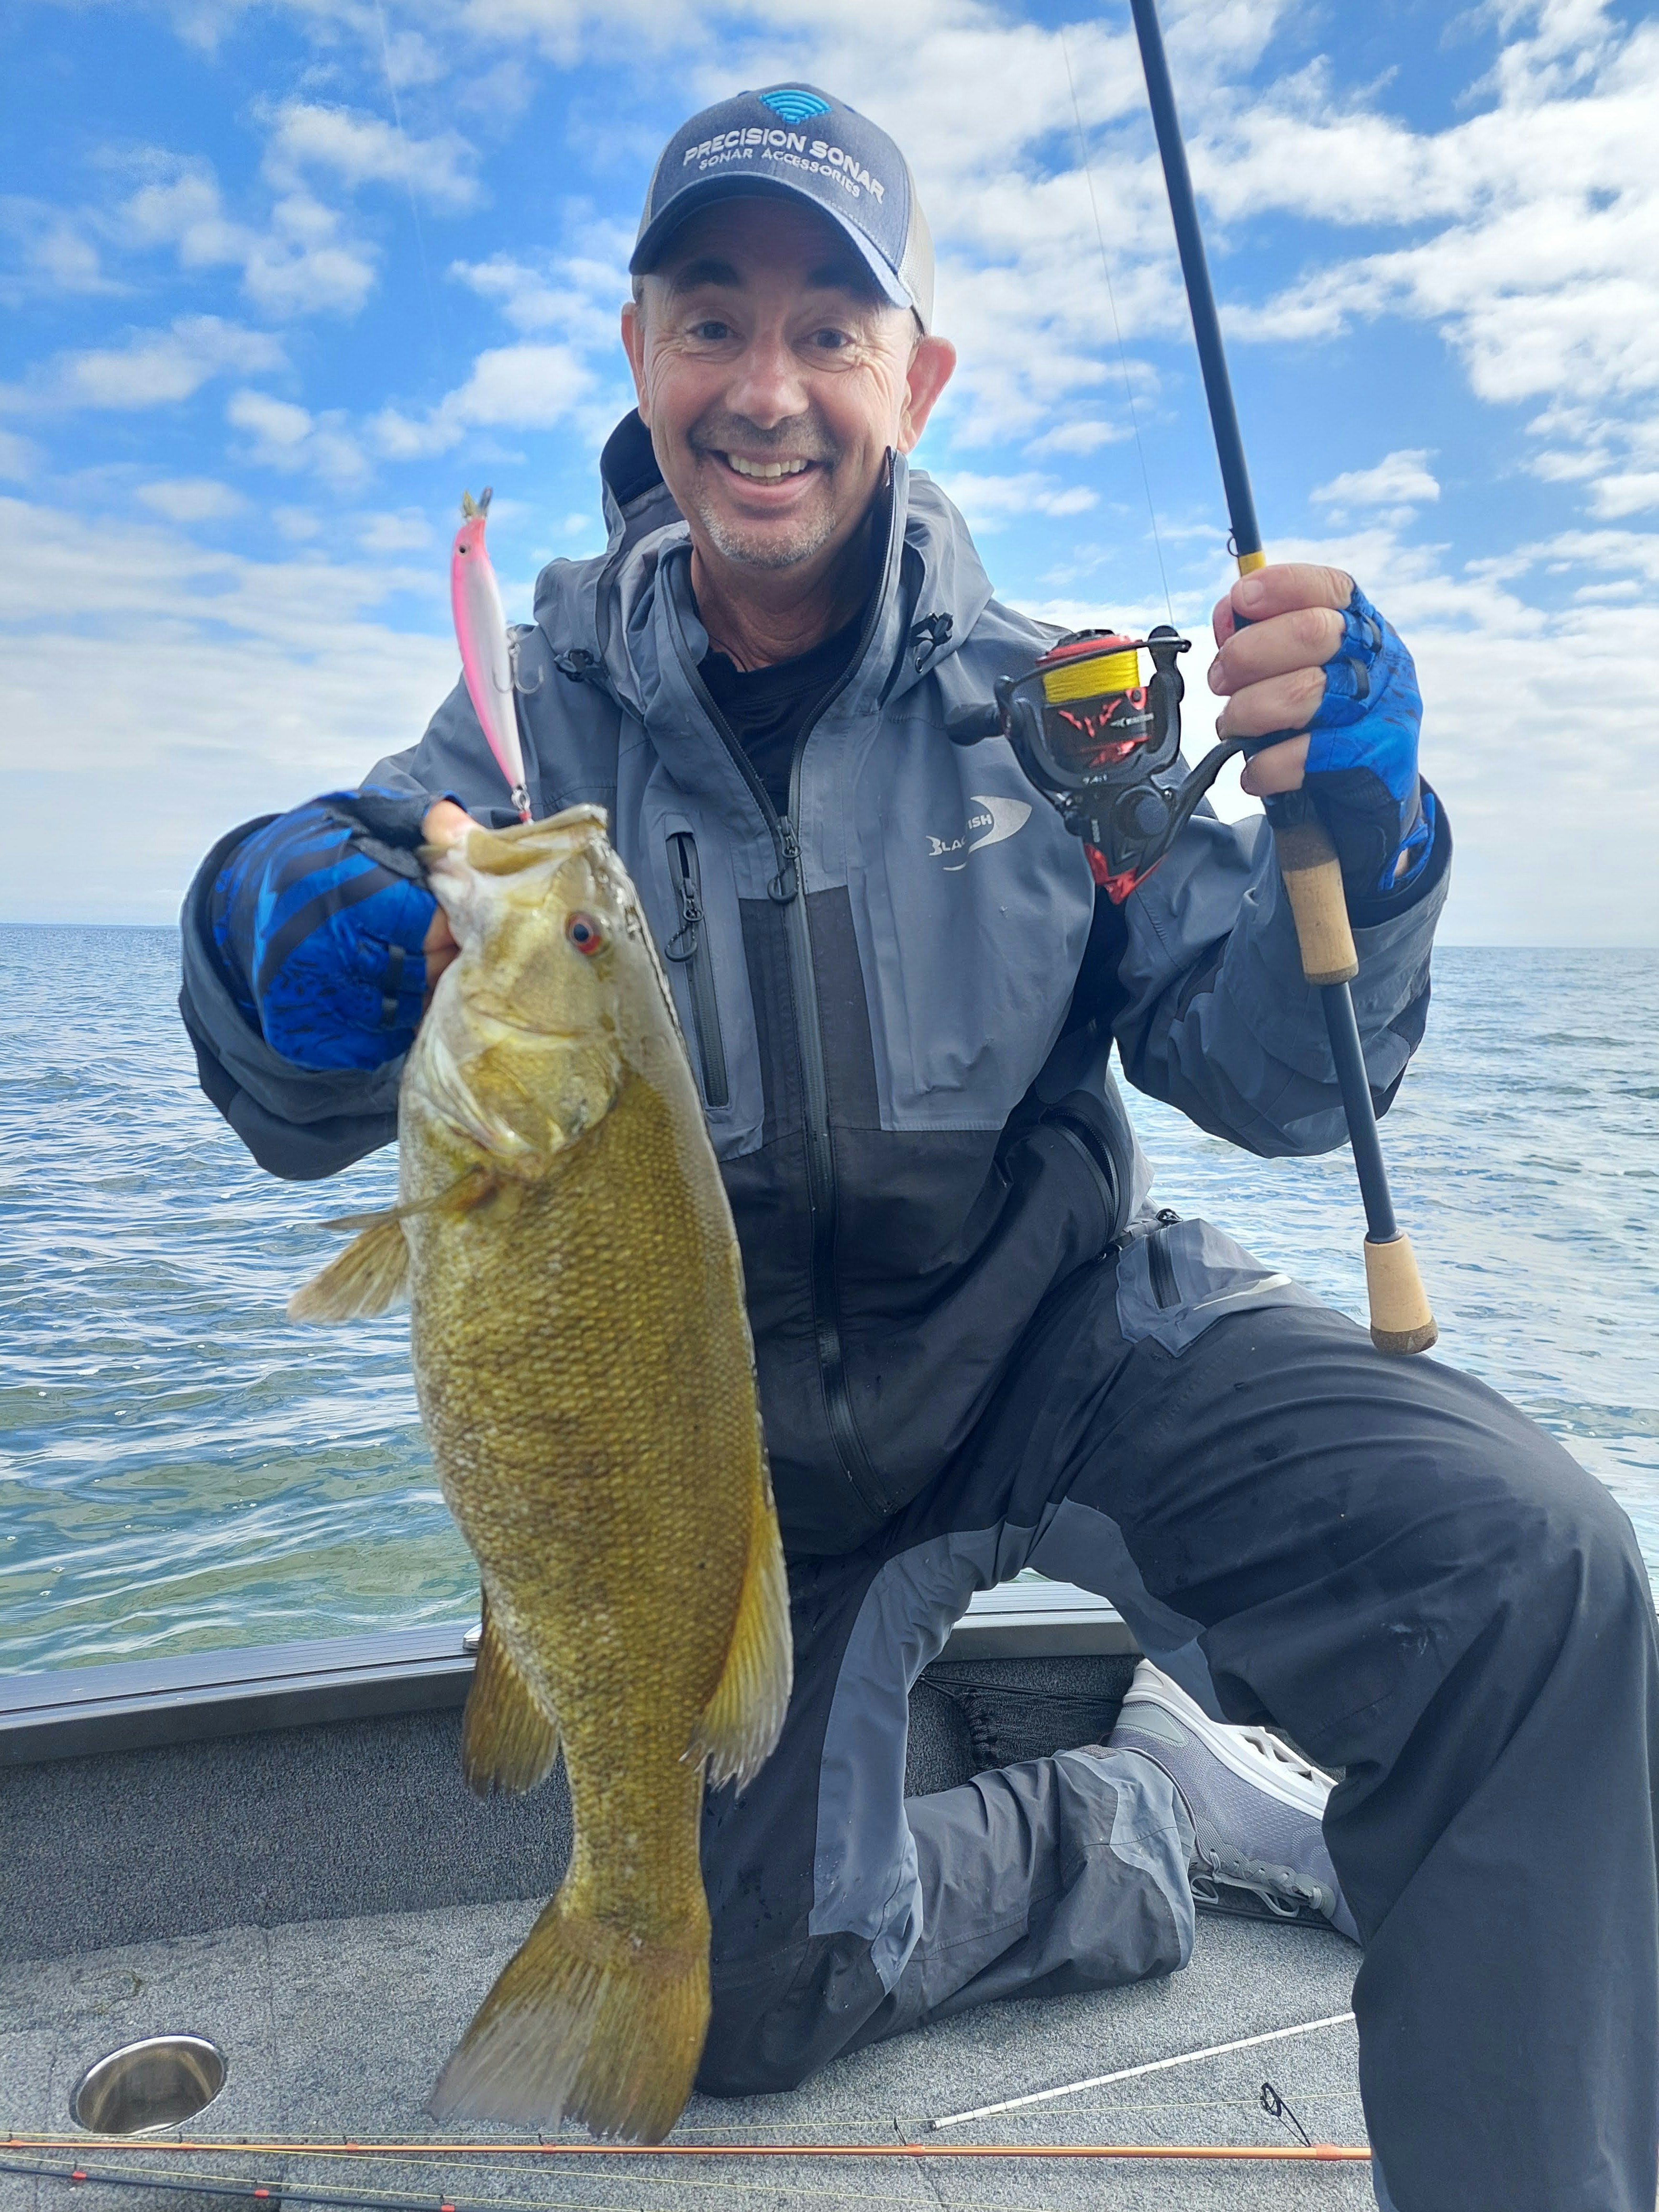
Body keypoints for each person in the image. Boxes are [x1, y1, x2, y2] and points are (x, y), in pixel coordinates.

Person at [179, 84, 1658, 2212]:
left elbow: (1262, 1063)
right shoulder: (528, 740)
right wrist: (260, 943)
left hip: (1066, 1338)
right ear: (640, 356)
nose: (765, 389)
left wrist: (1372, 841)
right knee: (739, 1987)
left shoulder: (1053, 712)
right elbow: (309, 1048)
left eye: (829, 329)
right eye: (711, 321)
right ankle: (1118, 1826)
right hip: (739, 1460)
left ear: (915, 377)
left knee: (1538, 1569)